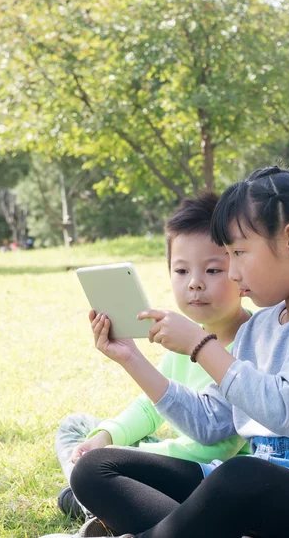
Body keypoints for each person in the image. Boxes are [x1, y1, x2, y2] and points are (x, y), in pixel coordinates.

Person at [42, 167, 289, 538]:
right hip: (252, 488)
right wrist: (130, 356)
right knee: (95, 469)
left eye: (239, 253)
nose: (232, 273)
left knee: (240, 476)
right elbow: (211, 423)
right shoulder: (259, 327)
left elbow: (286, 409)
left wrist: (200, 344)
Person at [54, 192, 253, 529]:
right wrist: (108, 436)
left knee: (96, 472)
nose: (194, 283)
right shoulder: (187, 334)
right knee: (76, 427)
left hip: (210, 476)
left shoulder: (252, 343)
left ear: (240, 268)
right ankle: (99, 499)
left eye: (213, 269)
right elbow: (150, 407)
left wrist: (141, 456)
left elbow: (214, 443)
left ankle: (97, 505)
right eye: (181, 270)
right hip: (171, 459)